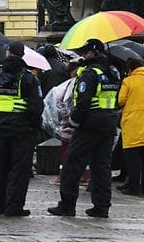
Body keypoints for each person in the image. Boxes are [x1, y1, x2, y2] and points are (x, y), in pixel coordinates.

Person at [48, 38, 121, 218]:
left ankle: (67, 205)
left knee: (73, 163)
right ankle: (102, 206)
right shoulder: (113, 72)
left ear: (94, 52)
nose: (83, 55)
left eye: (86, 52)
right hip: (109, 122)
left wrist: (73, 122)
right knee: (101, 166)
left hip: (90, 124)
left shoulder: (90, 73)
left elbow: (83, 102)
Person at [0, 41, 43, 217]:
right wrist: (34, 126)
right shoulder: (28, 77)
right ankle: (14, 206)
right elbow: (36, 106)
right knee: (19, 170)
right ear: (22, 54)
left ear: (7, 53)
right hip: (22, 130)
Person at [117, 57, 144, 196]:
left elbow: (120, 100)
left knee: (133, 161)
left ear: (130, 69)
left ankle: (133, 187)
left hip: (133, 126)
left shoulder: (128, 81)